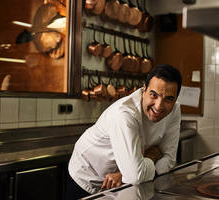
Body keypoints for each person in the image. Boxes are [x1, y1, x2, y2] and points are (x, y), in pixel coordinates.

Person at [66, 64, 182, 199]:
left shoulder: (175, 110)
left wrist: (127, 173)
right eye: (153, 95)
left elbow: (169, 159)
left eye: (169, 99)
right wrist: (152, 157)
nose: (159, 106)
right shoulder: (124, 114)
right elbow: (135, 175)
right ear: (143, 90)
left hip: (121, 183)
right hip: (88, 176)